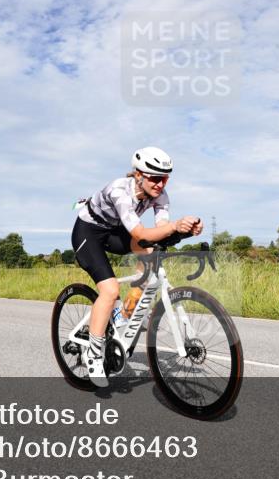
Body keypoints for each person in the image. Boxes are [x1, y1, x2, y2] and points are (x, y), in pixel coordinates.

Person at [71, 146, 203, 386]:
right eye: (155, 178)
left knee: (150, 255)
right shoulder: (120, 190)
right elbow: (141, 232)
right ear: (139, 175)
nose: (160, 184)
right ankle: (94, 352)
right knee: (110, 291)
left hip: (114, 232)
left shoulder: (160, 196)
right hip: (88, 233)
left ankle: (125, 312)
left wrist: (186, 231)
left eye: (164, 178)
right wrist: (175, 226)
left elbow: (159, 233)